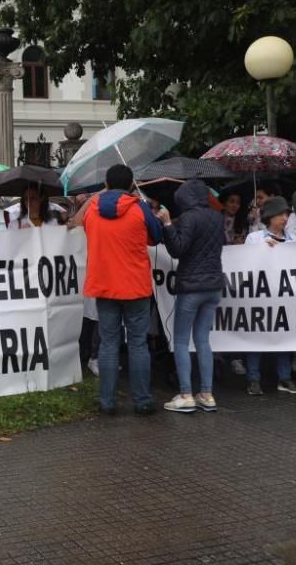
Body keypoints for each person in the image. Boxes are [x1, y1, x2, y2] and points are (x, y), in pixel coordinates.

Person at [81, 164, 162, 416]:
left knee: (108, 343)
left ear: (106, 183)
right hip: (135, 286)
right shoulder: (139, 208)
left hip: (104, 285)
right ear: (130, 184)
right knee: (138, 343)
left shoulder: (92, 211)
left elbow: (87, 231)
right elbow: (156, 236)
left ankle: (107, 402)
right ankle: (143, 400)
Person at [156, 180, 225, 413]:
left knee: (182, 341)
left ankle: (186, 395)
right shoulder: (217, 217)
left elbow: (178, 248)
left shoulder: (188, 218)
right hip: (214, 286)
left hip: (191, 287)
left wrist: (166, 224)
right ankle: (207, 394)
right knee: (203, 340)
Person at [241, 196, 296, 395]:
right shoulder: (255, 239)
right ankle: (253, 379)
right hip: (260, 297)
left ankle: (284, 378)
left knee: (284, 337)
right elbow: (244, 265)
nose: (285, 218)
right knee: (256, 336)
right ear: (270, 216)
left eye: (287, 214)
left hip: (285, 296)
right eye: (281, 214)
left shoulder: (294, 240)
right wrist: (262, 250)